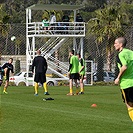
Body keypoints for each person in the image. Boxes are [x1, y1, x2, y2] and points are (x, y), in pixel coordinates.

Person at [114, 37, 133, 122]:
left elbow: (124, 67)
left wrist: (118, 78)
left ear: (120, 44)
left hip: (126, 84)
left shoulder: (120, 54)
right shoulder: (131, 52)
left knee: (129, 106)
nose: (114, 45)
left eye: (115, 43)